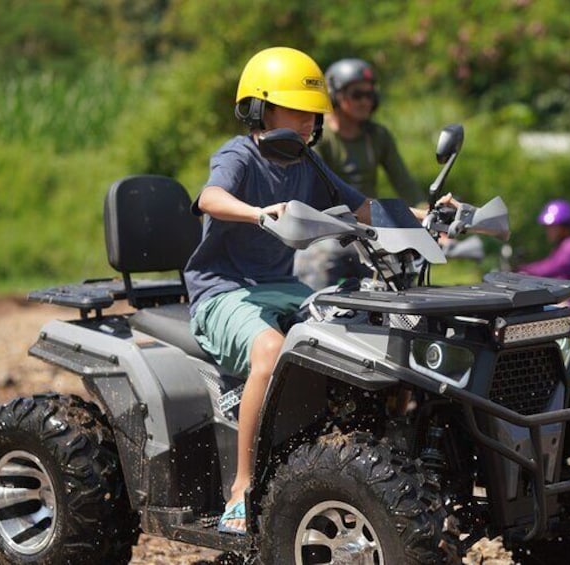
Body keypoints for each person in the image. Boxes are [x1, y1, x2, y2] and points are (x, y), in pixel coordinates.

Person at [183, 47, 371, 536]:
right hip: (222, 291)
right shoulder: (239, 154)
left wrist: (431, 216)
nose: (309, 120)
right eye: (296, 109)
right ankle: (242, 488)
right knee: (270, 349)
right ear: (261, 109)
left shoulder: (308, 163)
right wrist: (258, 212)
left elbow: (365, 208)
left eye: (312, 112)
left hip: (283, 288)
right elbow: (210, 198)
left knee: (354, 337)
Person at [294, 58, 421, 289]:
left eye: (369, 95)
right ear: (335, 95)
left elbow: (405, 184)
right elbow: (318, 190)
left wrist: (427, 217)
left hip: (370, 227)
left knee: (404, 283)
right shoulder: (320, 138)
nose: (365, 101)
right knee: (316, 276)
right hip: (327, 230)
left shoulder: (377, 136)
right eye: (357, 95)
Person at [517, 199, 570, 309]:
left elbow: (555, 267)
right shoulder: (560, 247)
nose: (548, 231)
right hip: (566, 301)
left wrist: (526, 270)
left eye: (552, 227)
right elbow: (549, 264)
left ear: (564, 227)